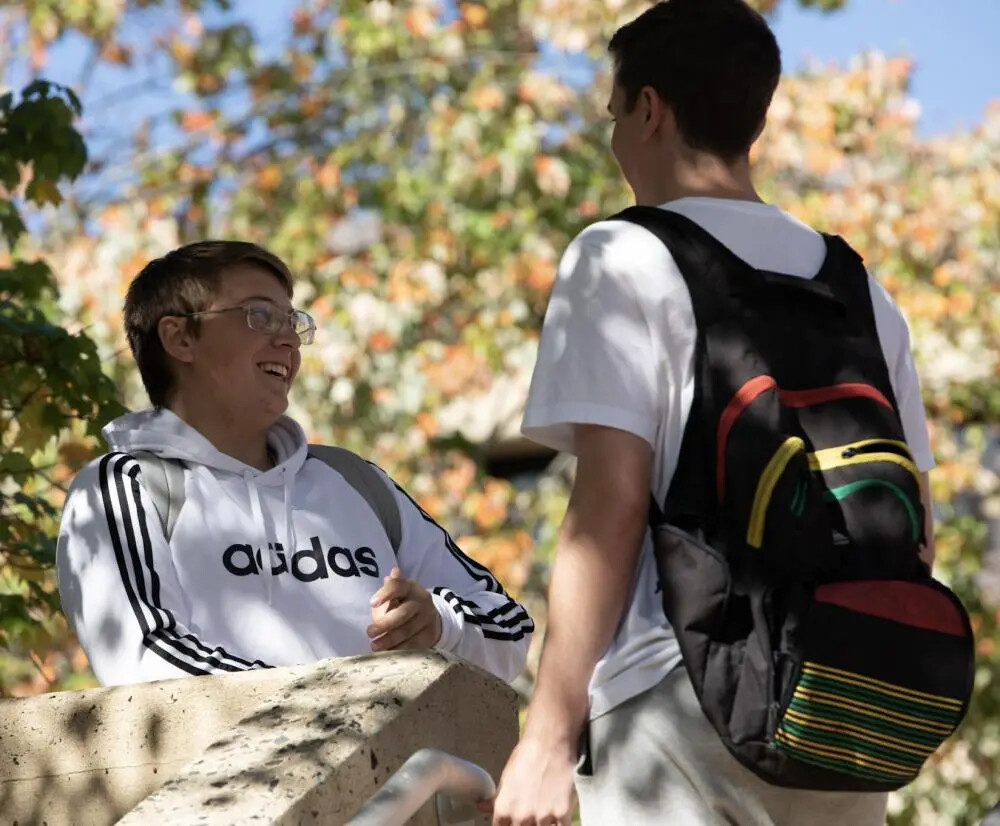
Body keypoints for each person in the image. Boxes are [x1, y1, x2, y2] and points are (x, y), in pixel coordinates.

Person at [489, 1, 937, 824]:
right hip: (844, 706)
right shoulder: (858, 288)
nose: (615, 134)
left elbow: (608, 509)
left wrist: (547, 739)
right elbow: (915, 522)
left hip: (679, 697)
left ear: (650, 110)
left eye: (614, 112)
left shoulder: (620, 254)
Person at [56, 241, 533, 687]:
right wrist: (332, 704)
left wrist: (441, 626)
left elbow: (512, 633)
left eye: (292, 321)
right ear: (180, 338)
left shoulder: (355, 480)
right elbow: (149, 662)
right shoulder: (123, 487)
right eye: (260, 316)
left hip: (405, 773)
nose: (289, 340)